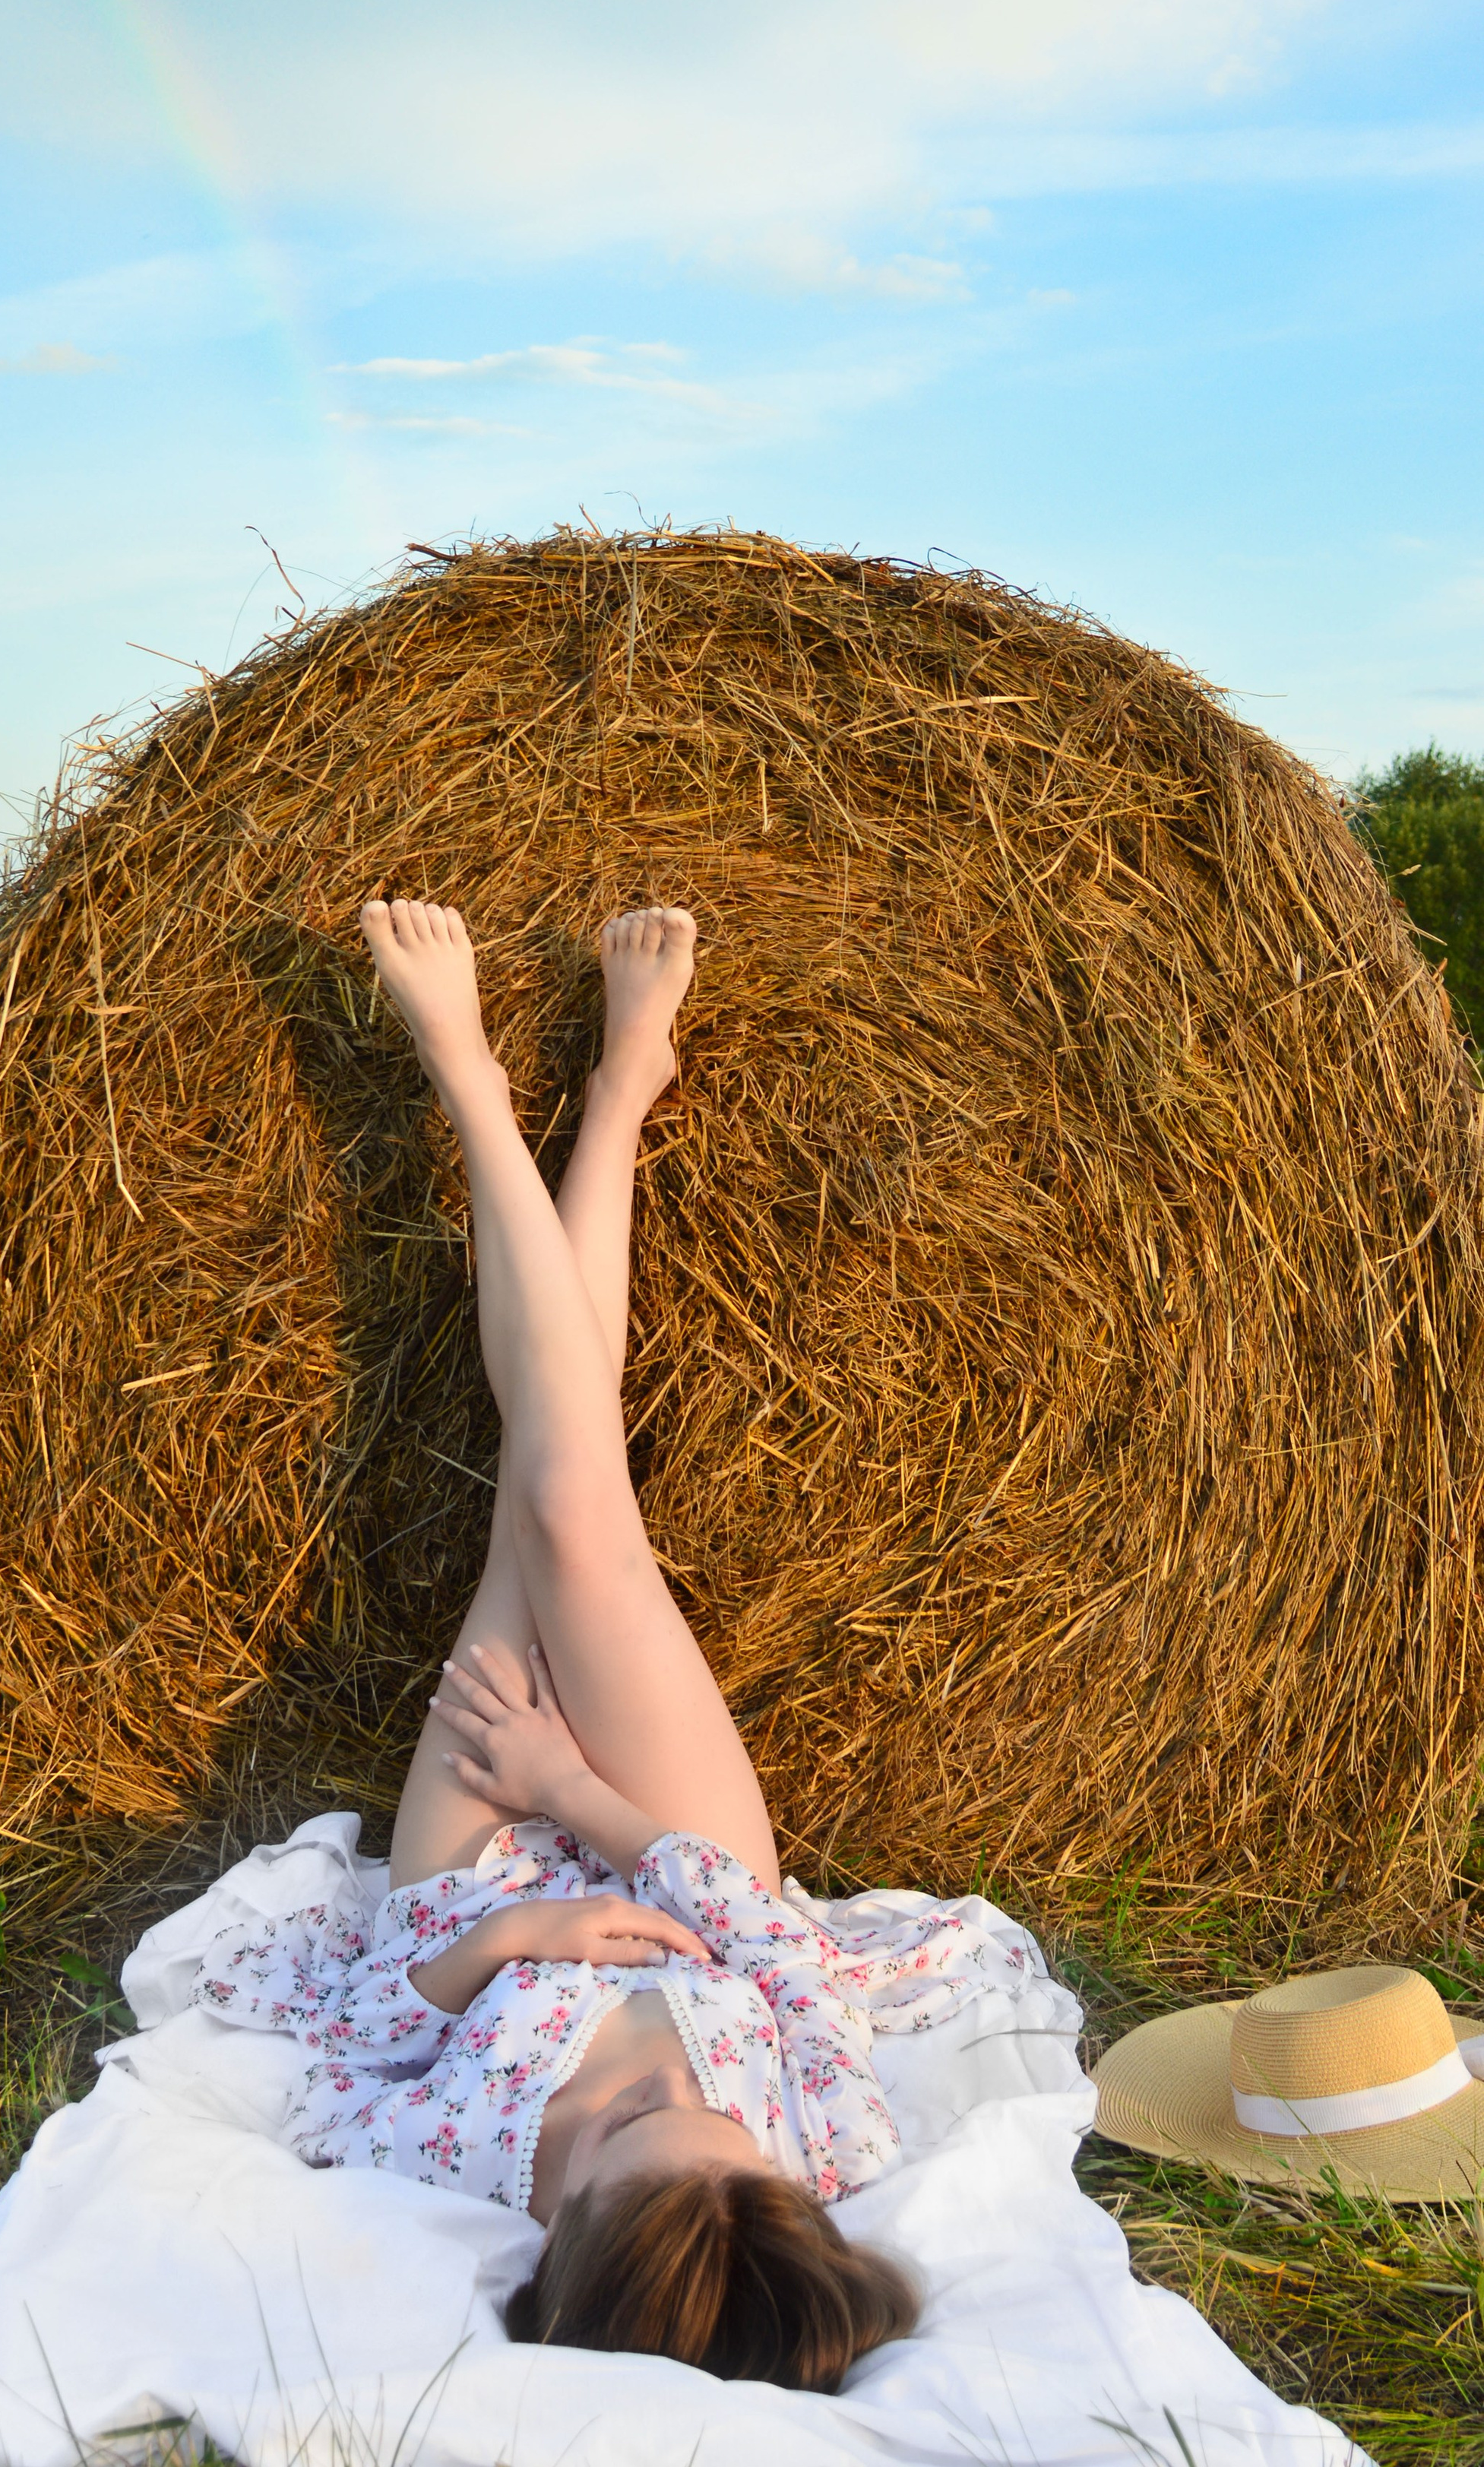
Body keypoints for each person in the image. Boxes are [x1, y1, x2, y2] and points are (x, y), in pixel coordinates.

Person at [189, 901, 1032, 2392]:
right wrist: (581, 1798)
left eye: (630, 2141)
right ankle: (504, 1075)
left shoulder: (453, 2165)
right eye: (709, 2133)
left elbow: (367, 2022)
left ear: (565, 2236)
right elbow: (781, 1957)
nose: (665, 2097)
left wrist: (514, 1929)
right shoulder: (813, 2150)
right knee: (576, 1502)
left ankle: (580, 1088)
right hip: (665, 1841)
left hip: (475, 1868)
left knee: (548, 1482)